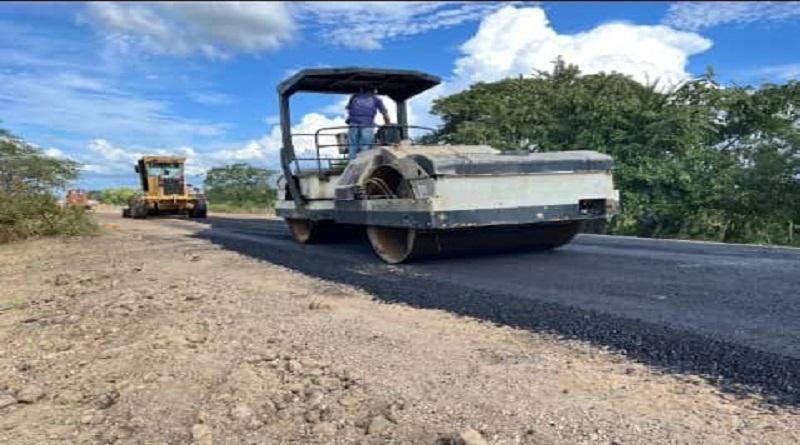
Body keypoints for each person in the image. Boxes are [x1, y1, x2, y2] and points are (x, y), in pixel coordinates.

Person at [345, 88, 391, 159]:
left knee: (352, 146)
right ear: (374, 90)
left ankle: (351, 165)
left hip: (353, 124)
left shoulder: (354, 96)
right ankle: (364, 163)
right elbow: (384, 113)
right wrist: (388, 124)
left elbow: (348, 108)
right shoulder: (376, 99)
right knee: (365, 146)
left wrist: (351, 118)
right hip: (367, 125)